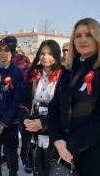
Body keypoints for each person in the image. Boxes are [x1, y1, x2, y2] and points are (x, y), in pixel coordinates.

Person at [47, 18, 100, 176]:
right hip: (64, 153)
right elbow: (54, 106)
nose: (82, 39)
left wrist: (70, 146)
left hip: (97, 155)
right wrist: (57, 140)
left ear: (98, 38)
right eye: (78, 36)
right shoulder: (67, 70)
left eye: (89, 35)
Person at [19, 40, 62, 176]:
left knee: (53, 170)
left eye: (49, 53)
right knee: (37, 170)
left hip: (53, 132)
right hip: (32, 130)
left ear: (56, 55)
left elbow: (65, 108)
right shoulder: (34, 74)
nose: (45, 57)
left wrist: (43, 123)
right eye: (42, 53)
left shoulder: (64, 76)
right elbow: (23, 102)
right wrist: (25, 119)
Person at [0, 39, 25, 176]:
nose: (2, 54)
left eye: (6, 50)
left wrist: (3, 124)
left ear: (12, 53)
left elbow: (16, 102)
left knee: (11, 160)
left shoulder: (18, 73)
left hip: (9, 125)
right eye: (0, 50)